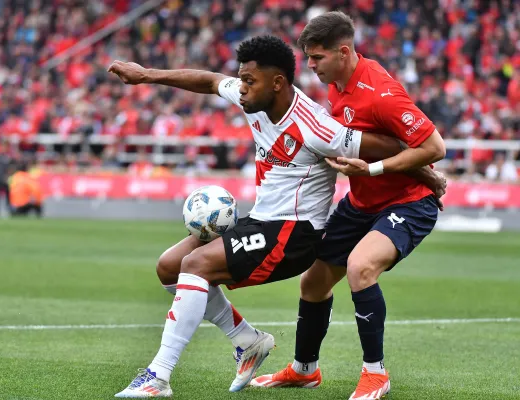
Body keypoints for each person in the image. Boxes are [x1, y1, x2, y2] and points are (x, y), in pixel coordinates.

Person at [108, 35, 443, 398]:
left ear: (278, 83)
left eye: (250, 82)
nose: (242, 90)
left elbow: (392, 145)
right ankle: (248, 341)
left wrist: (430, 177)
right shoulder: (253, 98)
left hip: (293, 233)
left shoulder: (318, 127)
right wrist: (147, 76)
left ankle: (158, 376)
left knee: (196, 265)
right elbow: (208, 80)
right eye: (242, 81)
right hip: (262, 220)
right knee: (170, 266)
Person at [250, 12, 446, 400]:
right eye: (308, 57)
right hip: (361, 203)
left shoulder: (381, 93)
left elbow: (434, 147)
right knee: (314, 281)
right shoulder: (338, 85)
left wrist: (373, 169)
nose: (310, 66)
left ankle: (376, 373)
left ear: (343, 52)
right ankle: (305, 370)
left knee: (360, 267)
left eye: (317, 57)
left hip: (408, 203)